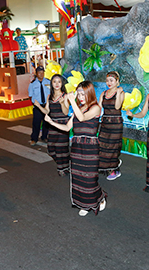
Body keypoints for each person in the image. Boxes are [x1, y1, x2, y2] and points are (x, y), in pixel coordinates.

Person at [45, 81, 107, 217]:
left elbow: (82, 117)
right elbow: (67, 127)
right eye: (78, 94)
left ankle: (99, 197)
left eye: (82, 94)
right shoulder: (78, 108)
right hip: (77, 146)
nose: (80, 96)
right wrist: (51, 122)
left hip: (90, 147)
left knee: (90, 178)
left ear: (89, 93)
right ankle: (84, 203)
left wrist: (72, 101)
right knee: (79, 177)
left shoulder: (96, 108)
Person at [35, 74, 70, 176]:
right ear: (51, 83)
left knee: (61, 148)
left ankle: (62, 168)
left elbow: (66, 112)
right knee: (51, 149)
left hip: (62, 124)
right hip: (52, 124)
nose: (57, 84)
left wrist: (63, 103)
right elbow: (47, 110)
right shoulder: (49, 96)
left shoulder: (65, 96)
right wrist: (38, 106)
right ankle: (65, 163)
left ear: (62, 83)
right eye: (54, 81)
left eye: (59, 81)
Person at [98, 71, 125, 181]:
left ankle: (115, 169)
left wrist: (118, 93)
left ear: (117, 82)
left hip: (116, 124)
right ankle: (106, 166)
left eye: (112, 80)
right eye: (107, 80)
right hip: (105, 123)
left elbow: (117, 106)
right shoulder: (103, 93)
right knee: (102, 145)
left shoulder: (121, 93)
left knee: (113, 146)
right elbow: (99, 108)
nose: (109, 82)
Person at [28, 66, 50, 145]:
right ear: (36, 74)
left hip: (46, 106)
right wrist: (35, 103)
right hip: (37, 107)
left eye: (42, 72)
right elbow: (30, 95)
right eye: (39, 72)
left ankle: (44, 137)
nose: (41, 74)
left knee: (46, 123)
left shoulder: (48, 82)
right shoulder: (32, 84)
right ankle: (34, 139)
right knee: (36, 123)